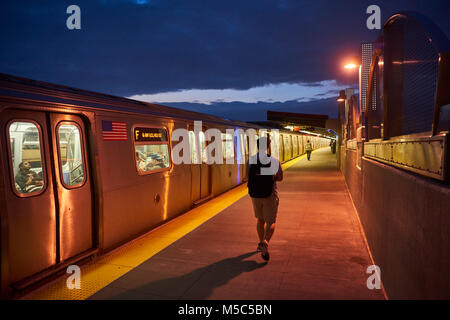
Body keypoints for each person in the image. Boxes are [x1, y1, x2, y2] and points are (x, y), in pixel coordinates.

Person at [247, 136, 283, 261]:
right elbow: (280, 177)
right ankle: (266, 242)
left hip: (255, 195)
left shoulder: (251, 160)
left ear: (258, 146)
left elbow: (248, 176)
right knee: (271, 221)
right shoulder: (273, 160)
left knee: (260, 220)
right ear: (268, 146)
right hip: (270, 194)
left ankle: (260, 242)